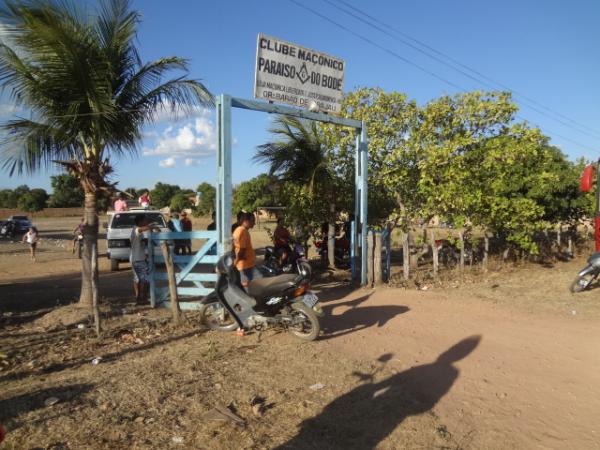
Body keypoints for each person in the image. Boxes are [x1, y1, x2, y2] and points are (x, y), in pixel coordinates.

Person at [130, 215, 159, 304]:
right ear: (140, 222)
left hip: (136, 258)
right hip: (138, 259)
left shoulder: (138, 232)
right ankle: (143, 298)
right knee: (146, 280)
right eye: (145, 221)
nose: (146, 222)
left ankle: (139, 298)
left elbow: (142, 242)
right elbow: (140, 230)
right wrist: (152, 227)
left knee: (137, 280)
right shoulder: (136, 229)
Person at [233, 212, 262, 289]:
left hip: (247, 265)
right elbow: (241, 250)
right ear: (246, 221)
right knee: (258, 285)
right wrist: (236, 262)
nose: (254, 223)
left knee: (256, 284)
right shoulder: (243, 232)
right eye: (252, 221)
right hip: (245, 266)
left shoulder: (238, 230)